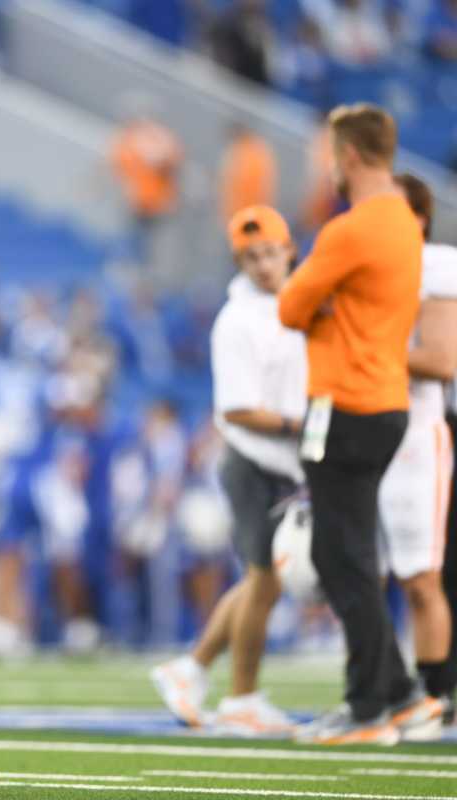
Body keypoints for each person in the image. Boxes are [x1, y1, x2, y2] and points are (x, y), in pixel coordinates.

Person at [278, 103, 440, 745]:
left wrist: (323, 307)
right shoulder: (404, 219)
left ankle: (370, 705)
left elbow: (291, 305)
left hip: (342, 403)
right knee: (351, 553)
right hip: (388, 401)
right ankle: (398, 693)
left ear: (347, 156)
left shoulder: (351, 228)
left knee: (339, 557)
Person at [151, 205, 306, 736]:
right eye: (250, 256)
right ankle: (242, 696)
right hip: (253, 461)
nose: (263, 264)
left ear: (289, 249)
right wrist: (302, 425)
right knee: (264, 579)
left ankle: (191, 668)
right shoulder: (238, 319)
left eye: (270, 251)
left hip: (283, 463)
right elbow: (237, 407)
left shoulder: (296, 303)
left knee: (265, 579)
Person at [385, 173, 457, 729]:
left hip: (429, 425)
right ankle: (401, 689)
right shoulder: (367, 264)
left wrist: (362, 343)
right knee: (378, 574)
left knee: (434, 571)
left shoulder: (437, 265)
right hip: (378, 425)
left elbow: (441, 360)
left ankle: (438, 692)